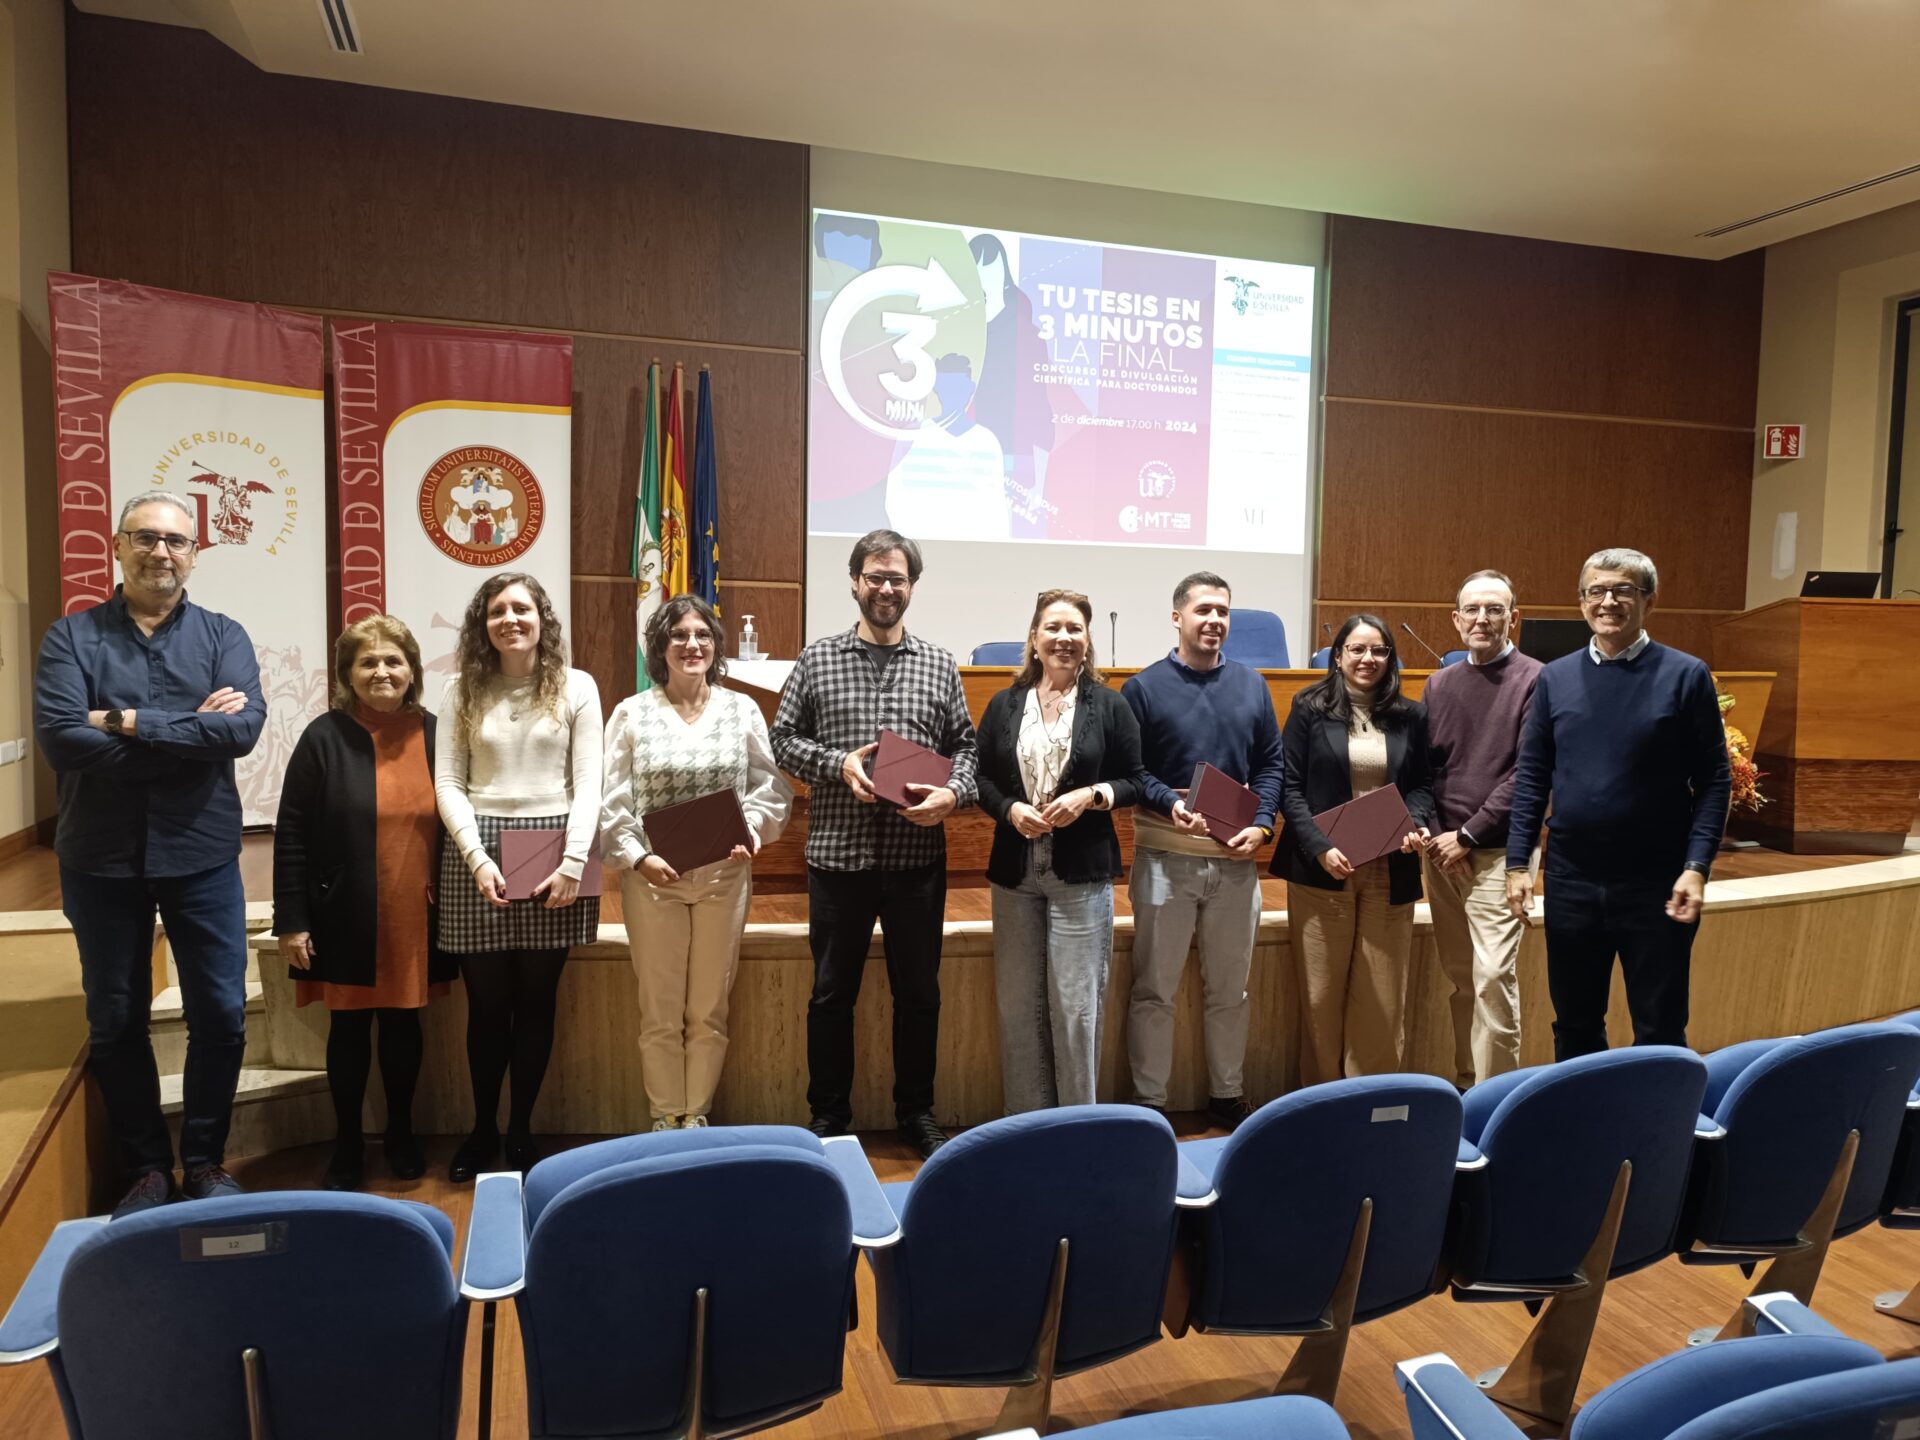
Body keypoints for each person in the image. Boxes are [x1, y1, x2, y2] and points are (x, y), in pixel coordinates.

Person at [32, 492, 264, 1217]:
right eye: (145, 538)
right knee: (116, 1016)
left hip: (200, 853)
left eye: (175, 540)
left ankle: (202, 1160)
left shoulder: (225, 636)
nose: (160, 551)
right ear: (117, 545)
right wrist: (183, 734)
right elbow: (63, 740)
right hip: (99, 860)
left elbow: (240, 733)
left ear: (194, 553)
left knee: (222, 1013)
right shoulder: (69, 639)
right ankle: (144, 1169)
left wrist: (126, 722)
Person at [770, 530, 978, 1158]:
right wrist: (838, 766)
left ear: (911, 586)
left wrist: (954, 795)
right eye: (875, 576)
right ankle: (829, 1116)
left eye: (898, 579)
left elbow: (966, 748)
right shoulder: (818, 658)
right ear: (855, 581)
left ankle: (916, 1111)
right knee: (832, 993)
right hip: (839, 856)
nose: (886, 588)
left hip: (917, 861)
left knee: (920, 994)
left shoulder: (939, 663)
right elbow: (782, 740)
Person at [1506, 548, 1730, 1057]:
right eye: (1596, 591)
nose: (1608, 601)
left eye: (1622, 590)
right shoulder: (1553, 678)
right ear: (1582, 601)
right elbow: (1533, 776)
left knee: (1660, 1027)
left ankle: (1655, 1134)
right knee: (1576, 1026)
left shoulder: (1686, 675)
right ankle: (1583, 1133)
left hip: (1657, 884)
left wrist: (1697, 867)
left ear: (1648, 600)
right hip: (1572, 882)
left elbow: (1715, 780)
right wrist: (1519, 862)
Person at [601, 594, 792, 1131]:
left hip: (724, 876)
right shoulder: (631, 713)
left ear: (716, 645)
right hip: (654, 879)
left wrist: (750, 833)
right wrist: (638, 857)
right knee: (660, 1008)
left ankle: (697, 1115)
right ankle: (665, 1115)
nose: (692, 644)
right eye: (679, 635)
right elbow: (611, 798)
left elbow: (768, 787)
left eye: (702, 635)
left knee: (708, 1007)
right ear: (659, 647)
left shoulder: (742, 709)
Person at [274, 615, 451, 1190]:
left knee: (404, 1029)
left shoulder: (436, 732)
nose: (382, 671)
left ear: (412, 671)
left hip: (414, 909)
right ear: (349, 674)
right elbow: (292, 832)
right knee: (348, 1033)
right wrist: (292, 921)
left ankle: (401, 1132)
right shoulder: (323, 736)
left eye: (393, 660)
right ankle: (347, 1140)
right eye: (368, 662)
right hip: (342, 910)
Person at [435, 572, 603, 1180]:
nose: (511, 619)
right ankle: (481, 1129)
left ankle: (521, 1129)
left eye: (522, 608)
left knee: (536, 1003)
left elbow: (589, 784)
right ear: (484, 624)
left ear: (542, 619)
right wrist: (478, 857)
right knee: (486, 1006)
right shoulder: (460, 689)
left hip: (556, 845)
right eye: (498, 610)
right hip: (475, 845)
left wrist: (573, 861)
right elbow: (449, 782)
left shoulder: (577, 686)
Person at [1121, 572, 1283, 1128]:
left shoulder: (1252, 685)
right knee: (1154, 991)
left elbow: (1270, 765)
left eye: (1223, 611)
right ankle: (1148, 1103)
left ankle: (1227, 1094)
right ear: (1177, 618)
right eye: (1203, 611)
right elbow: (1131, 771)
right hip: (1167, 859)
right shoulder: (1142, 688)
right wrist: (1169, 802)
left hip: (1236, 862)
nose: (1214, 621)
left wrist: (1262, 826)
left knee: (1231, 991)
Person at [976, 589, 1143, 1111]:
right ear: (1034, 638)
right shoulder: (1005, 704)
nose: (1063, 638)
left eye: (1075, 629)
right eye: (1053, 628)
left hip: (1080, 874)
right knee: (1019, 1009)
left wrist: (1093, 795)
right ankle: (1027, 1127)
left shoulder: (1110, 705)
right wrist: (1009, 809)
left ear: (1087, 640)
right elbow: (980, 778)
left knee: (1076, 1010)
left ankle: (1077, 1128)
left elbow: (1135, 780)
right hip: (1016, 871)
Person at [1277, 615, 1436, 1086]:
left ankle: (1370, 1101)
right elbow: (1289, 787)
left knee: (1382, 998)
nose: (1369, 659)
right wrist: (1320, 847)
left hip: (1390, 868)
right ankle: (1321, 1101)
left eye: (1379, 650)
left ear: (1391, 658)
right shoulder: (1309, 707)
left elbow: (1424, 784)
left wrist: (1415, 822)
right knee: (1321, 996)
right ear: (1339, 655)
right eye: (1358, 649)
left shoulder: (1411, 715)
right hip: (1323, 867)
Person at [1419, 571, 1542, 1087]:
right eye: (1472, 609)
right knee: (1460, 978)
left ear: (1512, 617)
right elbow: (1422, 768)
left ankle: (1496, 1101)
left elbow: (1529, 773)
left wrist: (1466, 835)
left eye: (1495, 610)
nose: (1482, 619)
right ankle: (1469, 1084)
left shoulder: (1536, 679)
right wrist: (1431, 832)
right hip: (1441, 853)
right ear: (1456, 618)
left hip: (1497, 853)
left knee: (1492, 979)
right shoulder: (1438, 683)